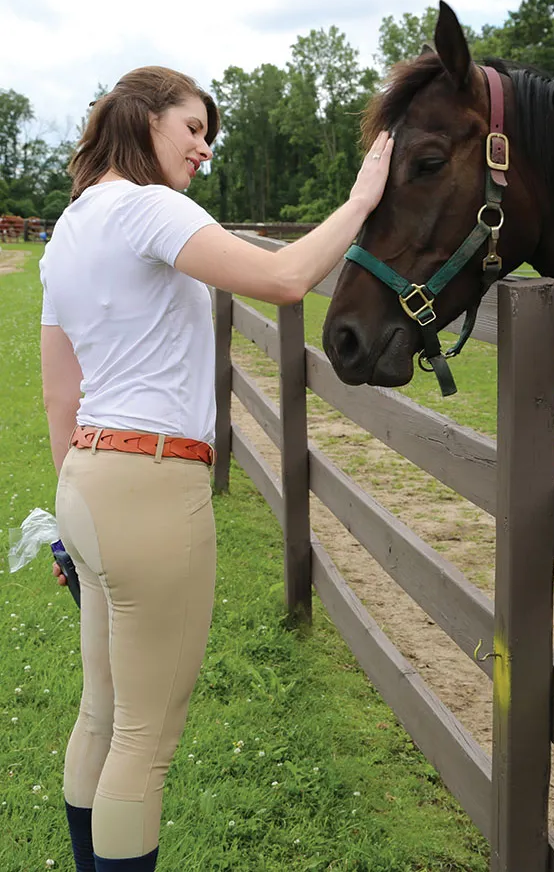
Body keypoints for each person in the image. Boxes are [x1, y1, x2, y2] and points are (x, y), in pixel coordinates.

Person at [41, 65, 393, 872]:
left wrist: (71, 515)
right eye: (193, 127)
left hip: (88, 481)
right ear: (142, 116)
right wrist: (362, 201)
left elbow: (61, 394)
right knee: (144, 739)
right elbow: (285, 278)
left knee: (101, 713)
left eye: (209, 136)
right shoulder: (148, 205)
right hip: (153, 487)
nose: (204, 149)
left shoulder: (69, 230)